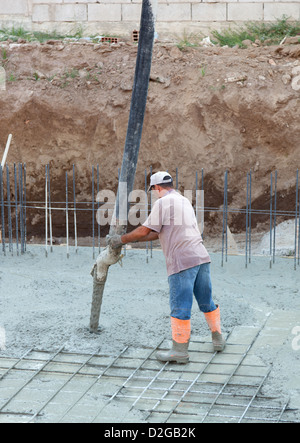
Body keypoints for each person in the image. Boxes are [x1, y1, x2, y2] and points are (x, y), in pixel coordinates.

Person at [107, 171, 225, 364]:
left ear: (157, 187)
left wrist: (119, 240)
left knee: (180, 305)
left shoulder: (162, 202)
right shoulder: (183, 200)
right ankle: (218, 339)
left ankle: (179, 351)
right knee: (206, 300)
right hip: (201, 256)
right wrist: (131, 241)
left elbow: (144, 230)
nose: (154, 193)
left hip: (182, 261)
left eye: (153, 190)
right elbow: (156, 233)